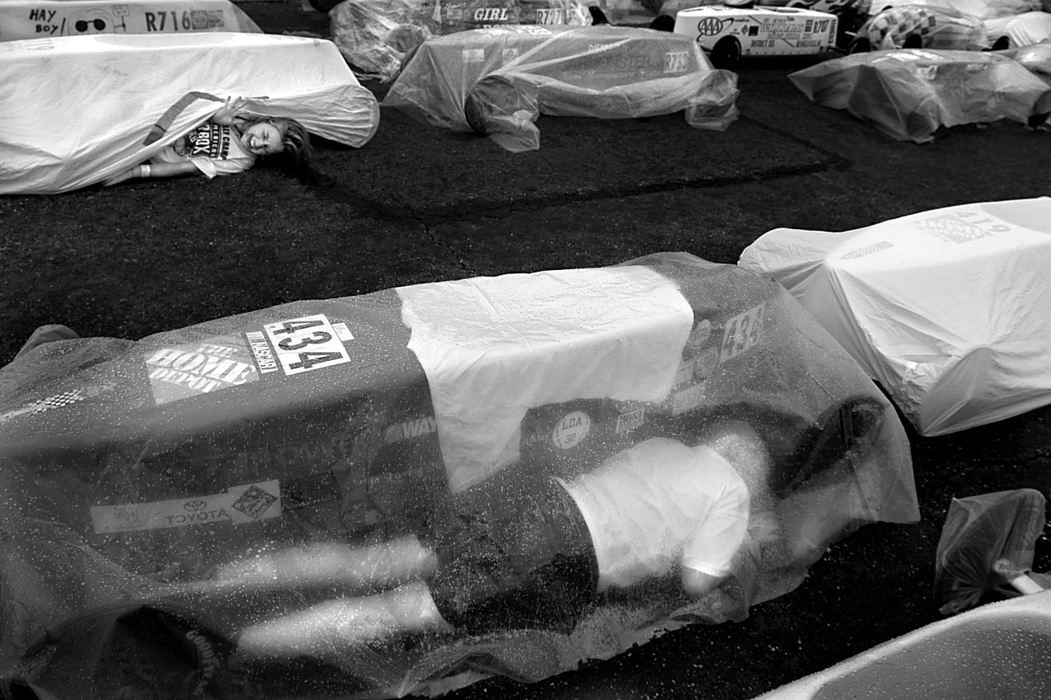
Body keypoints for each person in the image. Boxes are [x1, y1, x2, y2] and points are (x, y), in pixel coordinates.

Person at [217, 427, 768, 664]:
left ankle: (209, 585)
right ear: (747, 469)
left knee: (370, 562)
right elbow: (697, 580)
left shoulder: (667, 444)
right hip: (559, 546)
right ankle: (235, 640)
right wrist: (741, 543)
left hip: (527, 497)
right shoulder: (732, 490)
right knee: (395, 609)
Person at [103, 97, 312, 186]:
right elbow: (189, 108)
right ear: (267, 120)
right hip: (160, 127)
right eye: (264, 135)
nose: (257, 144)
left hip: (152, 153)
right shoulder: (235, 116)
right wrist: (214, 119)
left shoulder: (241, 161)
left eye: (265, 150)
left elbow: (187, 168)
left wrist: (137, 172)